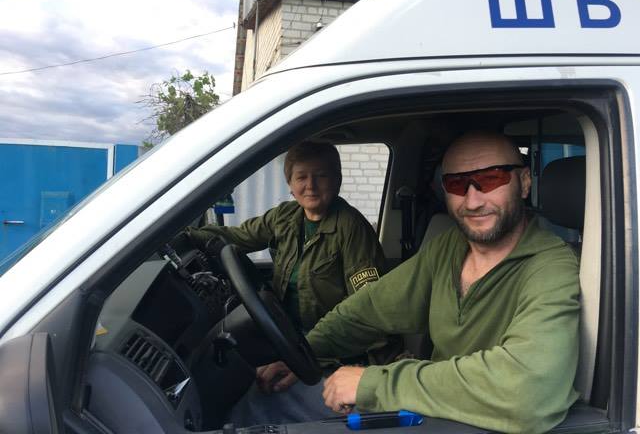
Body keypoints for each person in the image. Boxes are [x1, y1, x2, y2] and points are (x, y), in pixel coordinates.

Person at [306, 131, 581, 434]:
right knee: (287, 400)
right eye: (457, 184)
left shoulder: (551, 266)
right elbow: (368, 310)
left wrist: (375, 382)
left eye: (491, 179)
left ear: (525, 182)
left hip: (489, 426)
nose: (473, 201)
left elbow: (528, 391)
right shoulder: (449, 246)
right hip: (432, 415)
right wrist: (307, 353)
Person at [187, 140, 397, 423]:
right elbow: (235, 238)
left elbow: (367, 312)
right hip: (291, 337)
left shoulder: (352, 229)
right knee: (234, 371)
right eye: (301, 177)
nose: (311, 186)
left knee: (256, 404)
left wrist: (311, 356)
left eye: (321, 175)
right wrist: (184, 235)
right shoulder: (285, 217)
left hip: (337, 353)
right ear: (290, 183)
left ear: (336, 181)